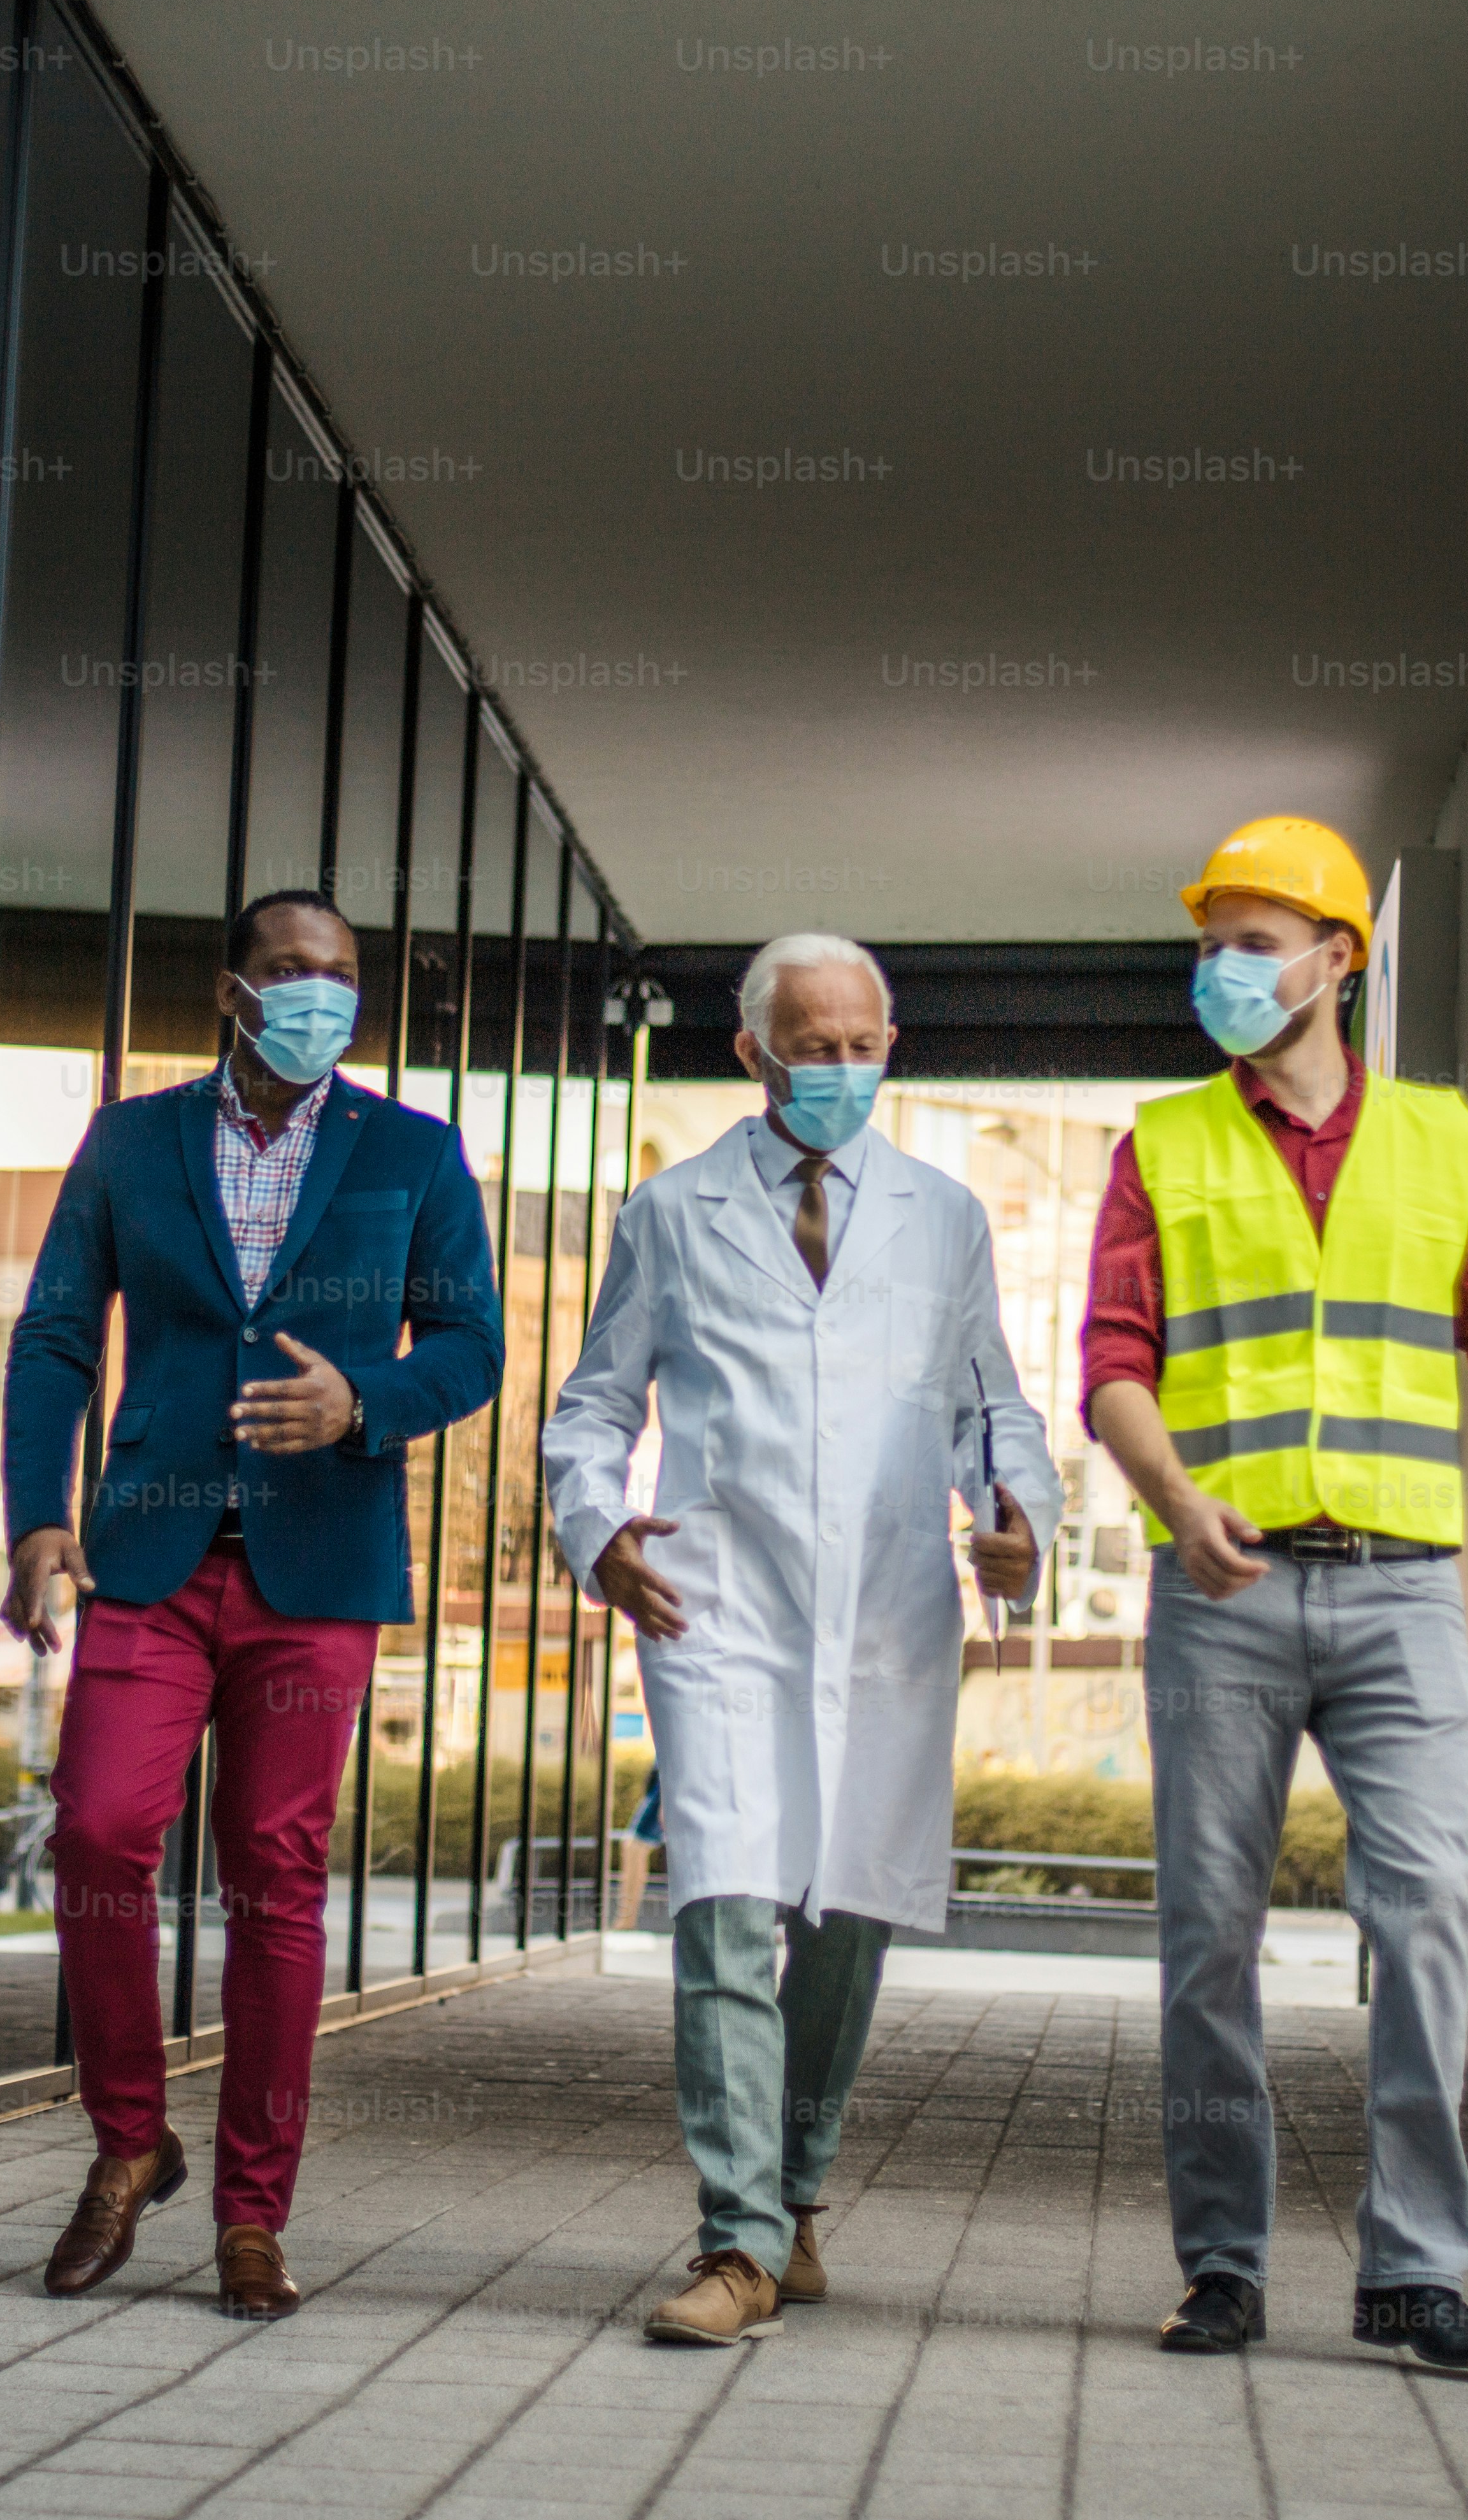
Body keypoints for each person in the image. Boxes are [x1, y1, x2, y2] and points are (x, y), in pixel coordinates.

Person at [1084, 816, 1468, 2378]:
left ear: (1336, 960)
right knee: (1205, 1940)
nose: (1221, 969)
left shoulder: (1440, 1139)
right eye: (1210, 943)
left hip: (1399, 1596)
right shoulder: (1159, 1145)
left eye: (1252, 941)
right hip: (1219, 1595)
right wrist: (1175, 1501)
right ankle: (1223, 2267)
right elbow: (1111, 1365)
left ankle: (1412, 2273)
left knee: (1427, 1912)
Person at [544, 932, 1059, 2347]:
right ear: (750, 1051)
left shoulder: (944, 1216)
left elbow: (988, 1409)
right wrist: (598, 1531)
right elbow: (596, 1403)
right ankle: (737, 2242)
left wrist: (1017, 1513)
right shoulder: (671, 1211)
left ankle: (800, 2194)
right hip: (716, 1602)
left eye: (861, 1044)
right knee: (719, 1904)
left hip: (886, 1612)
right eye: (812, 1044)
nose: (839, 1069)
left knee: (844, 1918)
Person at [0, 889, 502, 2319]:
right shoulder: (132, 1139)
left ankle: (251, 2218)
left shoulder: (410, 1153)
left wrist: (366, 1402)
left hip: (318, 1566)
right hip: (149, 1560)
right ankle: (127, 2143)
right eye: (289, 972)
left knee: (274, 1882)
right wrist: (37, 1517)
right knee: (98, 1830)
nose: (318, 995)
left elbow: (471, 1343)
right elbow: (50, 1336)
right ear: (233, 991)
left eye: (339, 976)